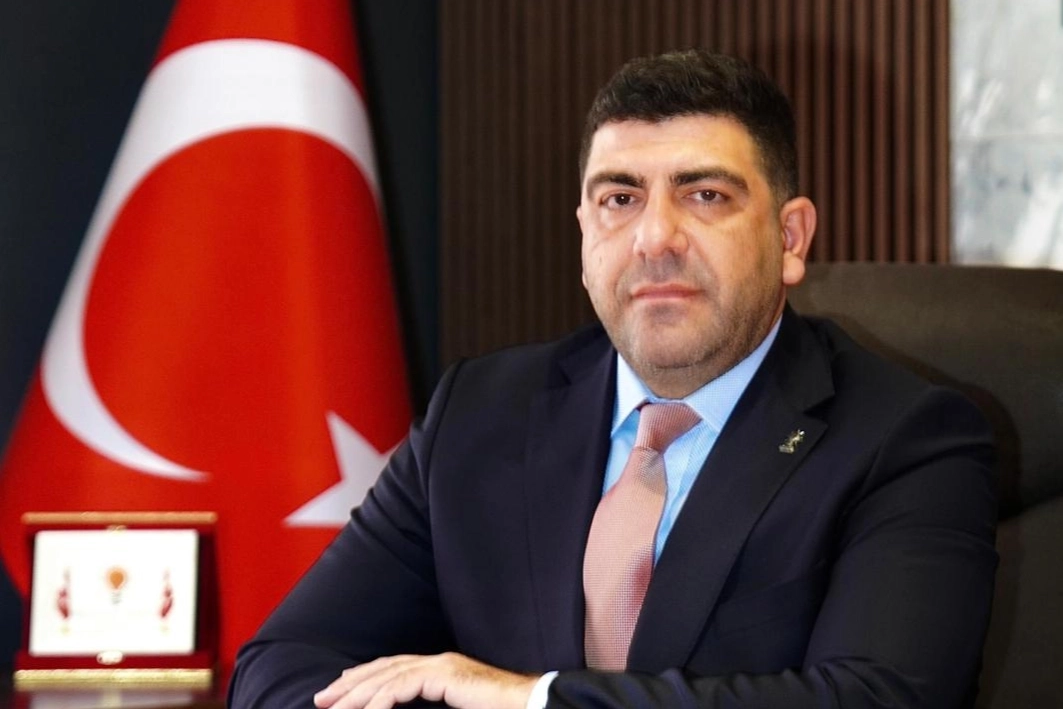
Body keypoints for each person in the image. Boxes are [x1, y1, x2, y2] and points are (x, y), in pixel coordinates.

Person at [228, 49, 997, 709]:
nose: (654, 238)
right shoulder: (476, 414)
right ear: (584, 235)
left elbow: (875, 697)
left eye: (705, 195)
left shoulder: (906, 441)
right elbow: (280, 665)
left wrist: (529, 699)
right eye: (619, 199)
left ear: (790, 238)